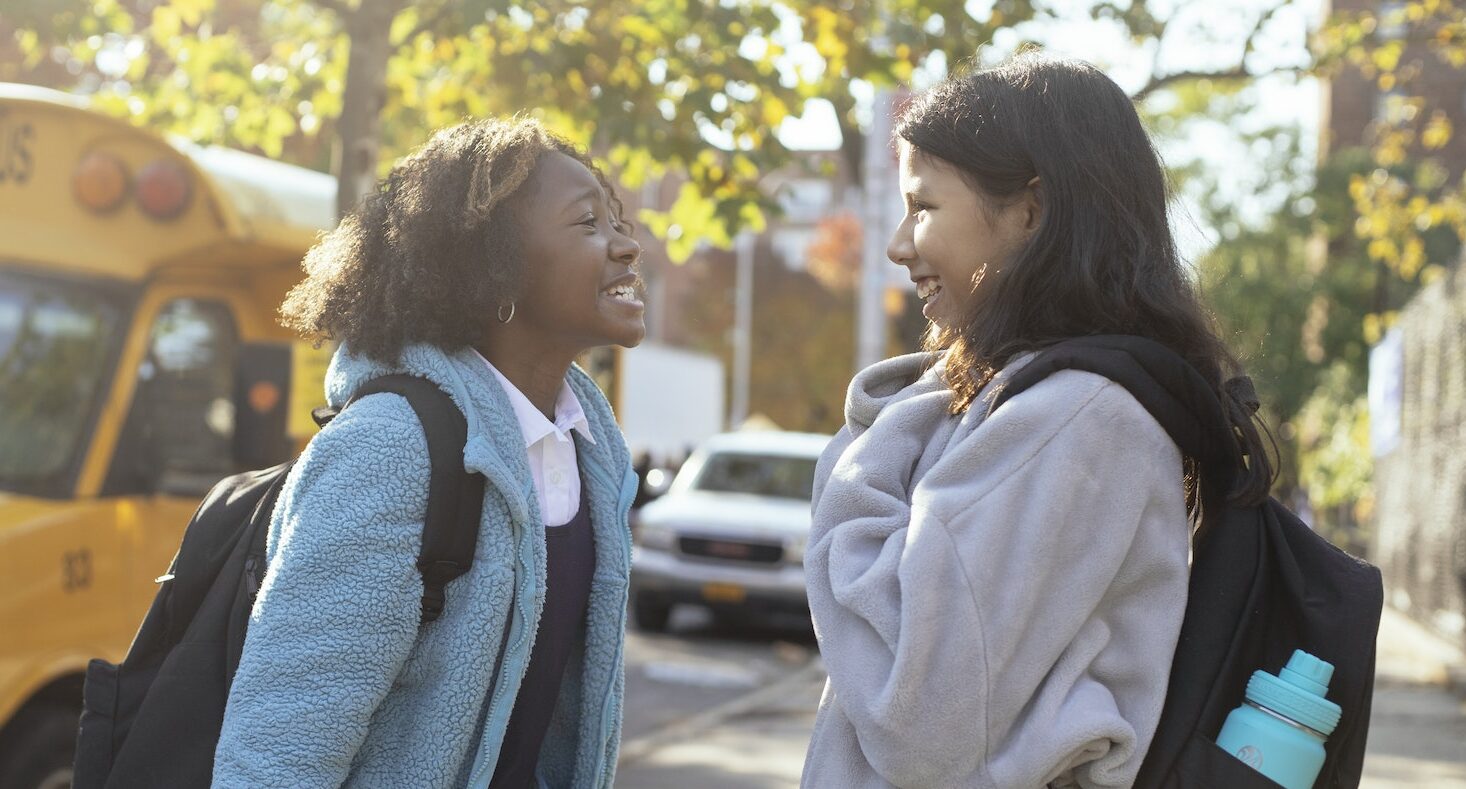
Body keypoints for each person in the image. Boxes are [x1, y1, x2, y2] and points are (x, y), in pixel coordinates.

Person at [801, 52, 1273, 788]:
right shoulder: (1056, 404)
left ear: (1031, 210)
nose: (899, 245)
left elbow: (914, 719)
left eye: (923, 207)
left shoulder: (1075, 418)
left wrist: (861, 461)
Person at [212, 118, 645, 788]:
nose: (626, 246)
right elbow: (278, 750)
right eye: (589, 223)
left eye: (617, 220)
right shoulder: (390, 449)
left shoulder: (590, 449)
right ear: (496, 267)